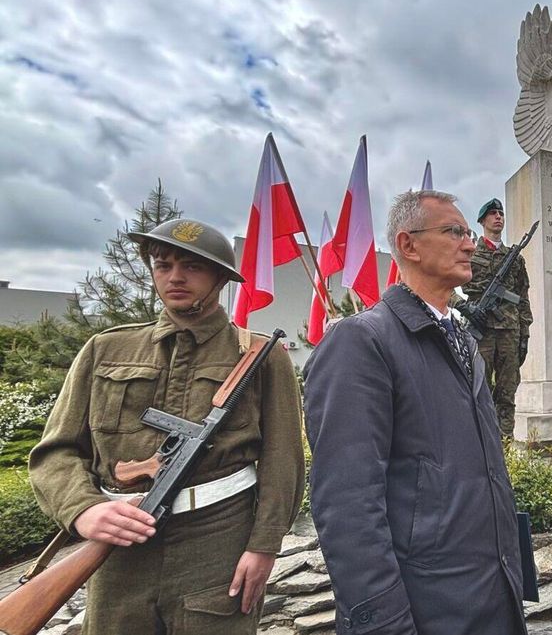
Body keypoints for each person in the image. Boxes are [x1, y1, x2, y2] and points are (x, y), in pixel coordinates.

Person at [28, 218, 305, 634]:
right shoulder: (105, 349)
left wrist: (264, 545)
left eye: (192, 267)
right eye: (163, 264)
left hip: (218, 543)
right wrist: (83, 509)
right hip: (121, 548)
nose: (175, 277)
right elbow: (56, 451)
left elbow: (283, 461)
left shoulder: (259, 356)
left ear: (219, 279)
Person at [304, 190, 526, 635]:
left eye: (468, 232)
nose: (468, 243)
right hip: (428, 606)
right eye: (454, 231)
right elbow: (347, 503)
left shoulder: (463, 342)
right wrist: (383, 623)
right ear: (408, 245)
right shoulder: (362, 342)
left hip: (491, 594)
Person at [456, 198, 533, 439]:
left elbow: (522, 298)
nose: (498, 216)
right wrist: (465, 307)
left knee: (507, 394)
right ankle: (481, 446)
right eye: (492, 213)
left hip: (510, 332)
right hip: (481, 332)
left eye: (500, 212)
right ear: (482, 221)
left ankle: (505, 451)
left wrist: (525, 334)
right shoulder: (468, 252)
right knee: (480, 392)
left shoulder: (515, 257)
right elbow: (444, 286)